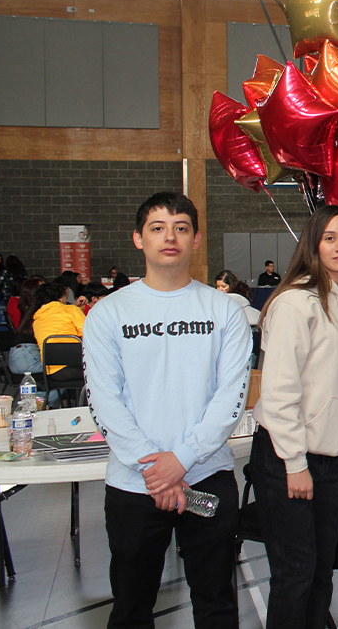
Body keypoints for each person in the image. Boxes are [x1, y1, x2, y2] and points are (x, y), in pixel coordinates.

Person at [84, 191, 251, 629]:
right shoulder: (107, 313)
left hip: (206, 475)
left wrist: (182, 460)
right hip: (134, 483)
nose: (169, 237)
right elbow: (103, 397)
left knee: (216, 603)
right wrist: (155, 468)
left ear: (196, 239)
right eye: (157, 228)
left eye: (181, 228)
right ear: (138, 239)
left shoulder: (225, 311)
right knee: (131, 607)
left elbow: (232, 395)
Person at [251, 205, 338, 629]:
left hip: (331, 461)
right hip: (290, 460)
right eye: (330, 237)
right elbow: (280, 392)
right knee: (295, 576)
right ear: (313, 245)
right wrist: (295, 463)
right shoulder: (295, 303)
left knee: (321, 572)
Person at [31, 281, 85, 377]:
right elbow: (88, 335)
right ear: (60, 297)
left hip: (50, 371)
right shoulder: (71, 310)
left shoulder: (37, 320)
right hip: (76, 365)